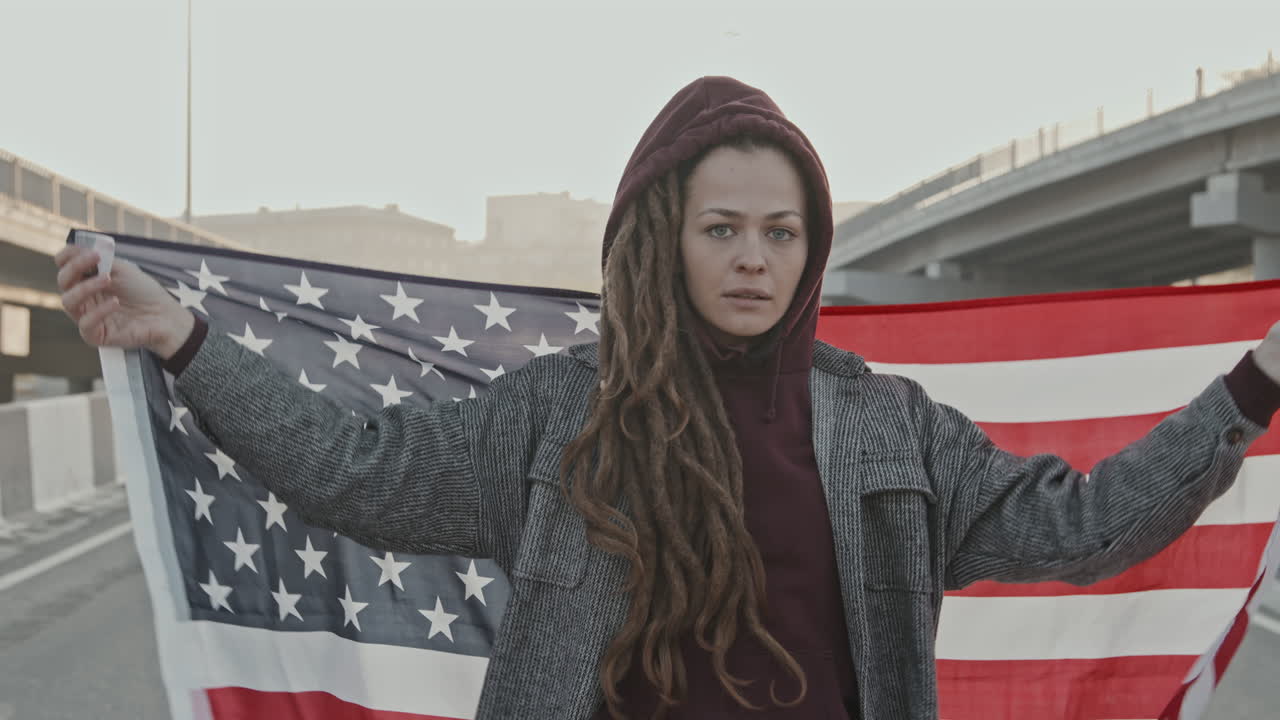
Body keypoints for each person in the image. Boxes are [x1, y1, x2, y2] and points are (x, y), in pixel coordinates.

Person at [55, 76, 1280, 720]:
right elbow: (356, 470)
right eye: (722, 228)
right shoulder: (559, 416)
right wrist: (185, 339)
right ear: (662, 238)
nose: (754, 258)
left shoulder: (885, 428)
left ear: (811, 249)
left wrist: (1252, 385)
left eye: (782, 232)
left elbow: (1084, 527)